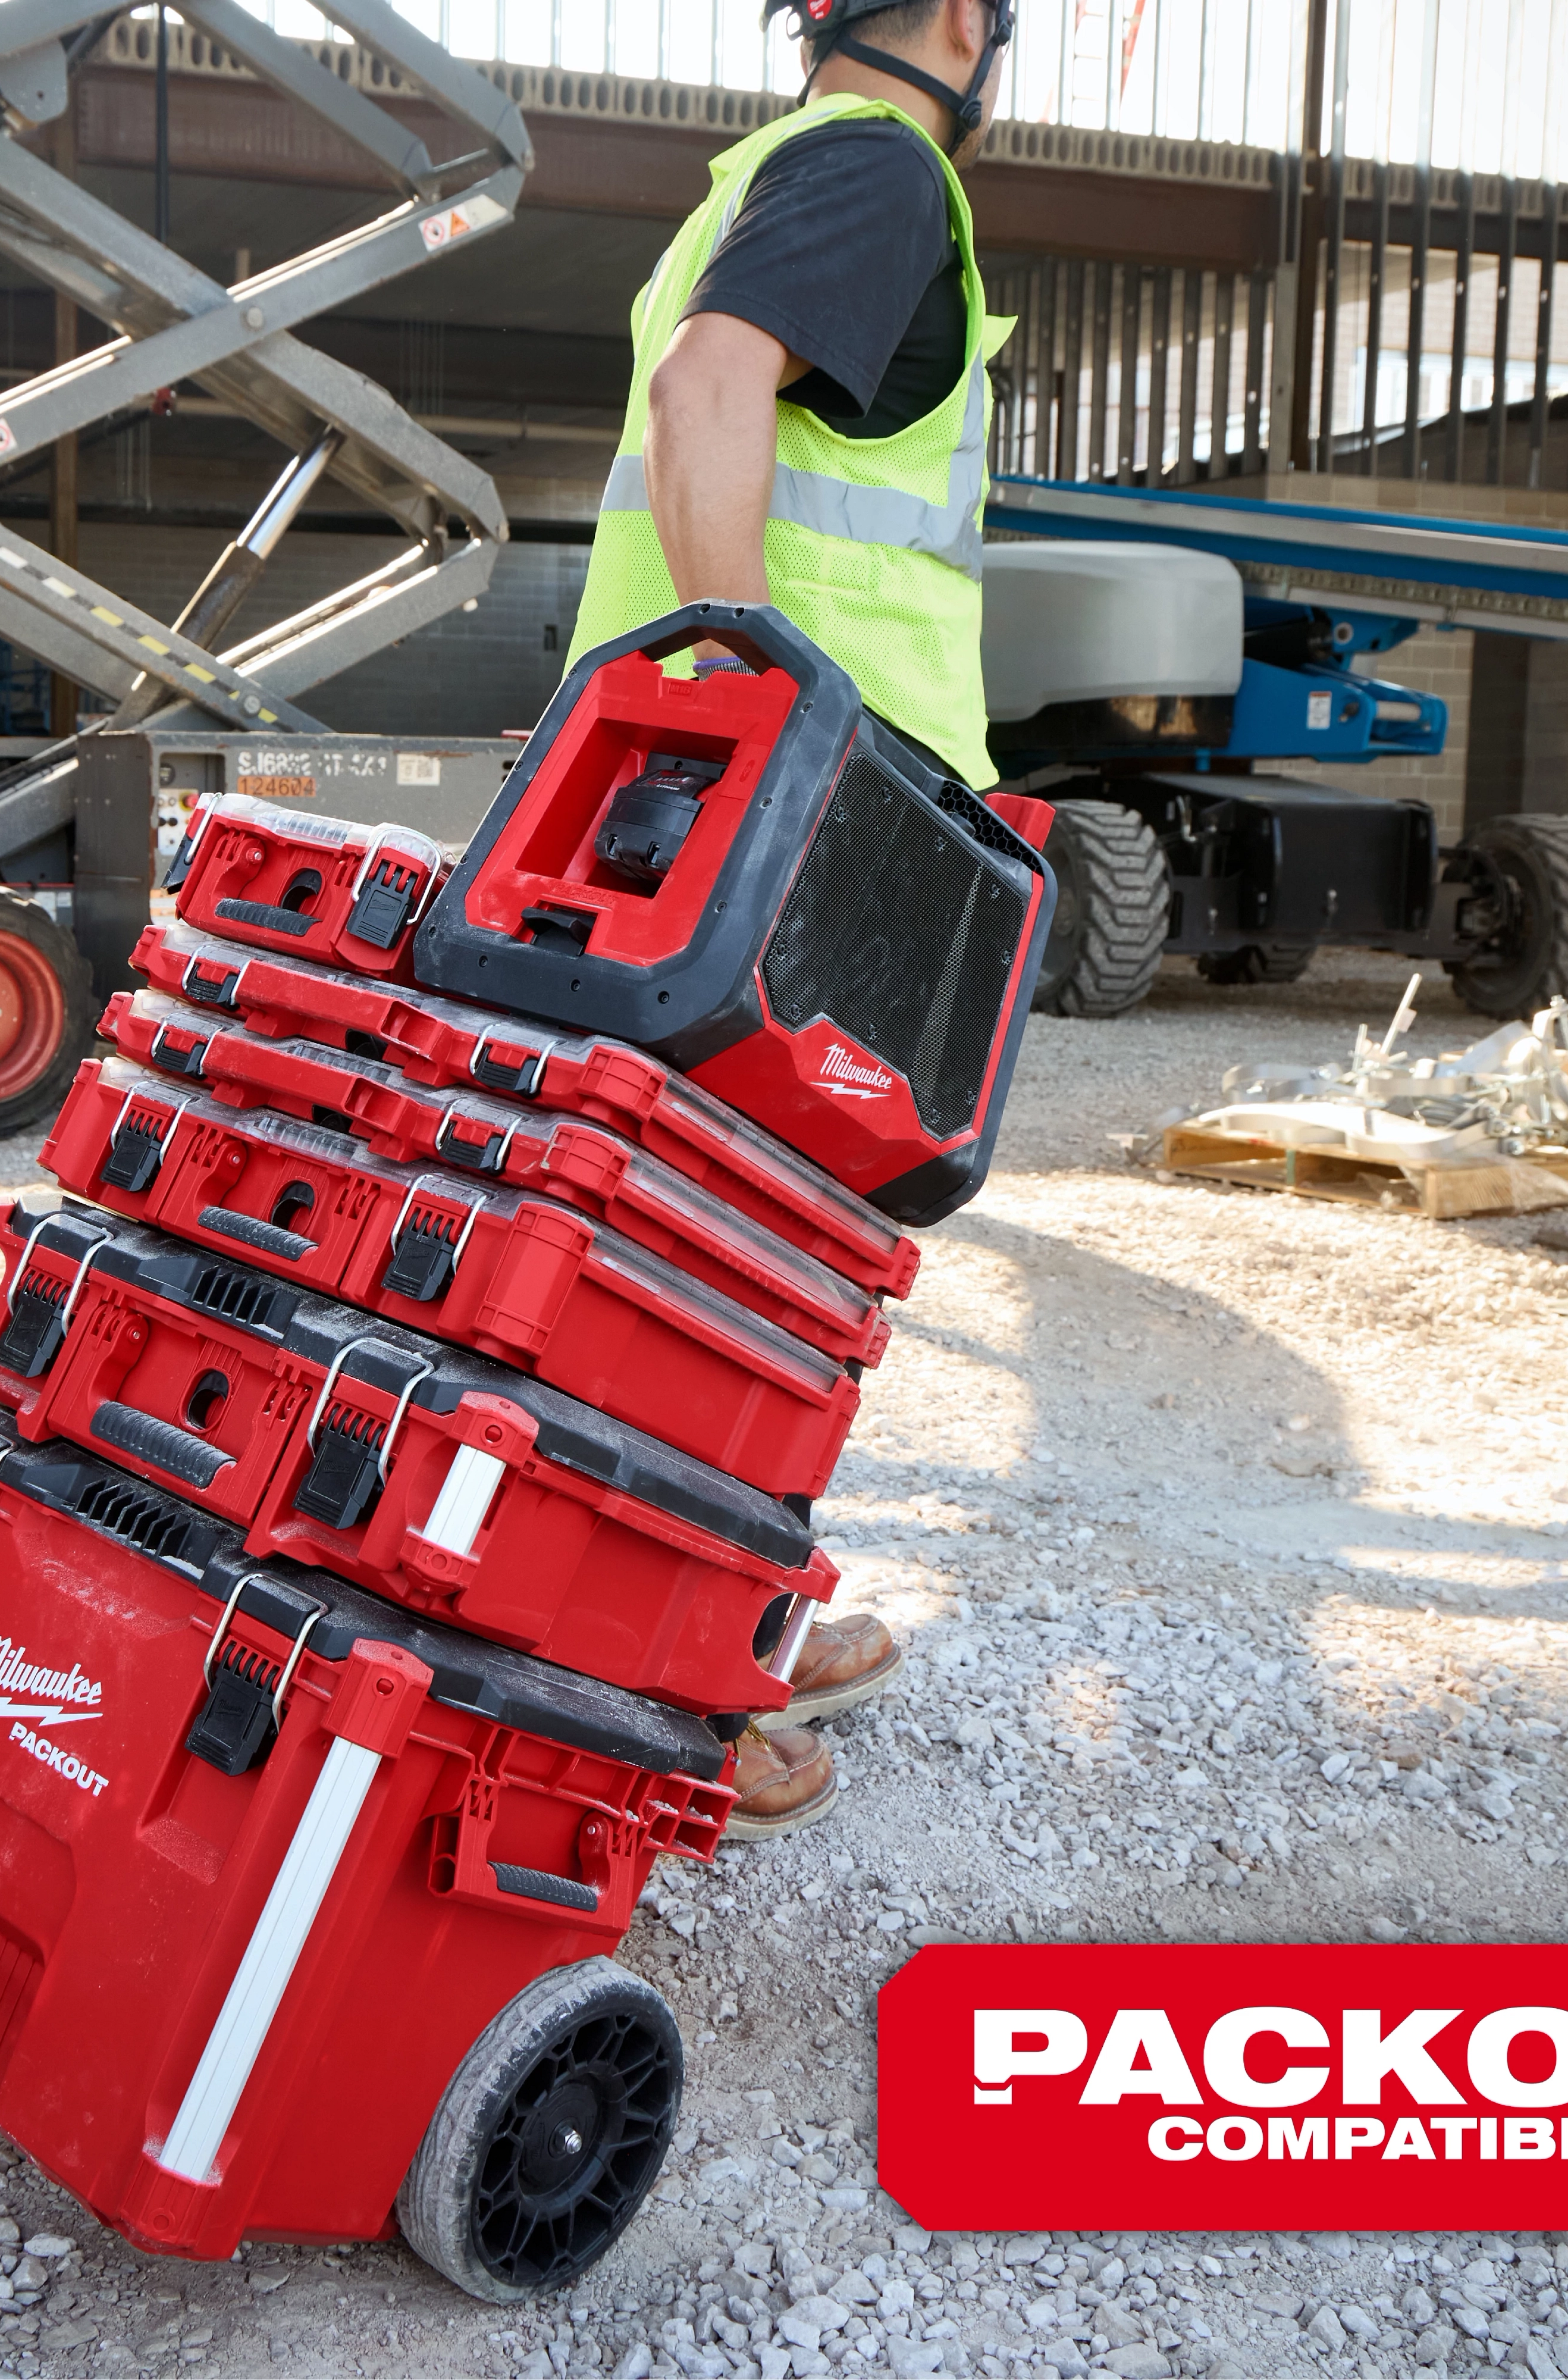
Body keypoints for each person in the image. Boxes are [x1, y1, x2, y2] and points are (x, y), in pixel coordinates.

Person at [567, 0, 1016, 1836]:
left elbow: (699, 388)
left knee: (711, 1220)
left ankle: (726, 1614)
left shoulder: (753, 178)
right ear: (973, 25)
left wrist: (704, 695)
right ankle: (659, 1681)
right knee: (744, 1253)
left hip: (698, 766)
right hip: (818, 795)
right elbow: (712, 389)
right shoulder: (875, 166)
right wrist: (755, 680)